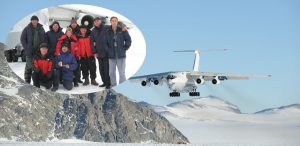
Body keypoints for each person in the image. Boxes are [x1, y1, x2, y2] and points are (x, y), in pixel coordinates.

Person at [104, 16, 131, 87]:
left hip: (121, 56)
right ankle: (113, 85)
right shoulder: (107, 31)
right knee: (111, 73)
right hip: (111, 56)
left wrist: (125, 48)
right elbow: (104, 42)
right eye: (112, 20)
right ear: (110, 22)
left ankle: (122, 86)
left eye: (115, 20)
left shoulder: (122, 30)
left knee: (121, 73)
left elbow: (128, 40)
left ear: (117, 21)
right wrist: (108, 50)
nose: (114, 22)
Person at [20, 15, 46, 83]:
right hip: (30, 51)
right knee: (28, 67)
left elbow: (44, 39)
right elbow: (22, 38)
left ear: (37, 21)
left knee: (38, 66)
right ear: (31, 21)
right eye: (33, 20)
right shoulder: (27, 28)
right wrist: (26, 48)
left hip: (38, 52)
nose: (34, 21)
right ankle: (27, 81)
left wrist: (43, 48)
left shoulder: (41, 28)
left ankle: (37, 81)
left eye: (35, 20)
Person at [91, 17, 111, 89]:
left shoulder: (106, 27)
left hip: (106, 53)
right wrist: (94, 52)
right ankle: (104, 82)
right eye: (95, 21)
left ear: (100, 21)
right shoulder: (93, 31)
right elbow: (92, 42)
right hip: (99, 53)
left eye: (97, 21)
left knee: (107, 69)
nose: (96, 22)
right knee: (101, 69)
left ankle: (108, 83)